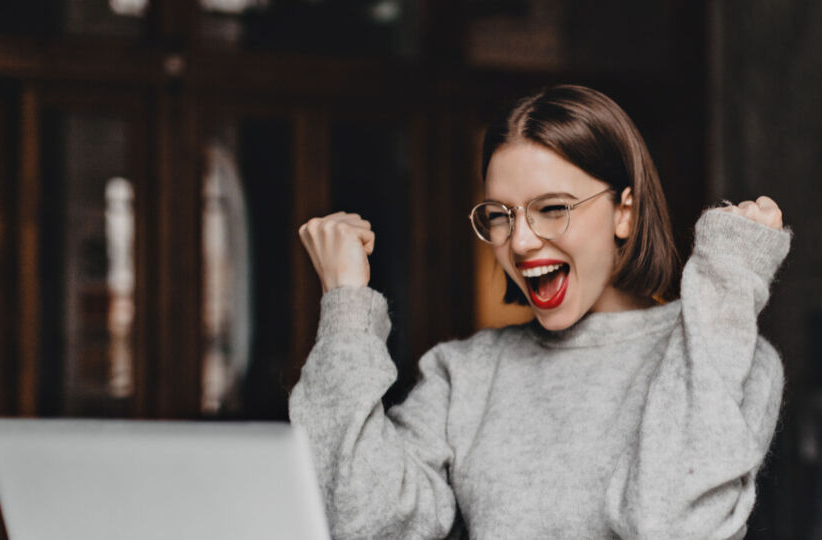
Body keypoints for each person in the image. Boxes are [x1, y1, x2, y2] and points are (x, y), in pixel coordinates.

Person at [291, 84, 790, 540]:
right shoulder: (464, 375)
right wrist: (346, 305)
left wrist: (726, 284)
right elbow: (362, 523)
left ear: (626, 211)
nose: (522, 242)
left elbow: (673, 525)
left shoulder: (729, 355)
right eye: (499, 216)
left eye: (553, 208)